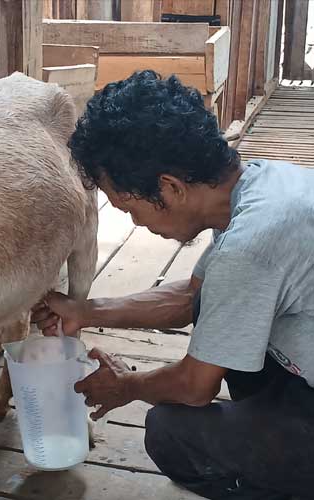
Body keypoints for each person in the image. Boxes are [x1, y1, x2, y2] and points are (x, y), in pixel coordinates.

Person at [31, 70, 314, 500]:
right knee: (214, 313)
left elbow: (195, 387)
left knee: (172, 432)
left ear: (170, 188)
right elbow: (191, 295)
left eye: (128, 206)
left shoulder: (251, 244)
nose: (135, 222)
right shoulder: (262, 185)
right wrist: (88, 311)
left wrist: (126, 386)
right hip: (300, 377)